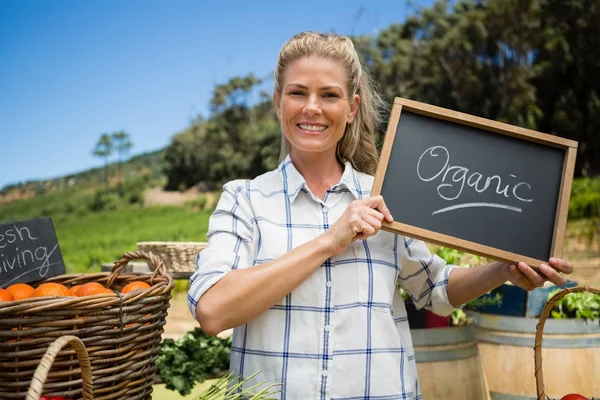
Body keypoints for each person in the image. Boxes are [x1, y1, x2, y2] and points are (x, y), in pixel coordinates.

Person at [188, 31, 573, 399]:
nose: (312, 107)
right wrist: (329, 241)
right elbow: (212, 310)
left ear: (352, 108)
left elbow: (436, 290)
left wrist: (502, 270)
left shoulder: (386, 197)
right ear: (278, 102)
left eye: (329, 95)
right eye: (297, 93)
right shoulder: (245, 199)